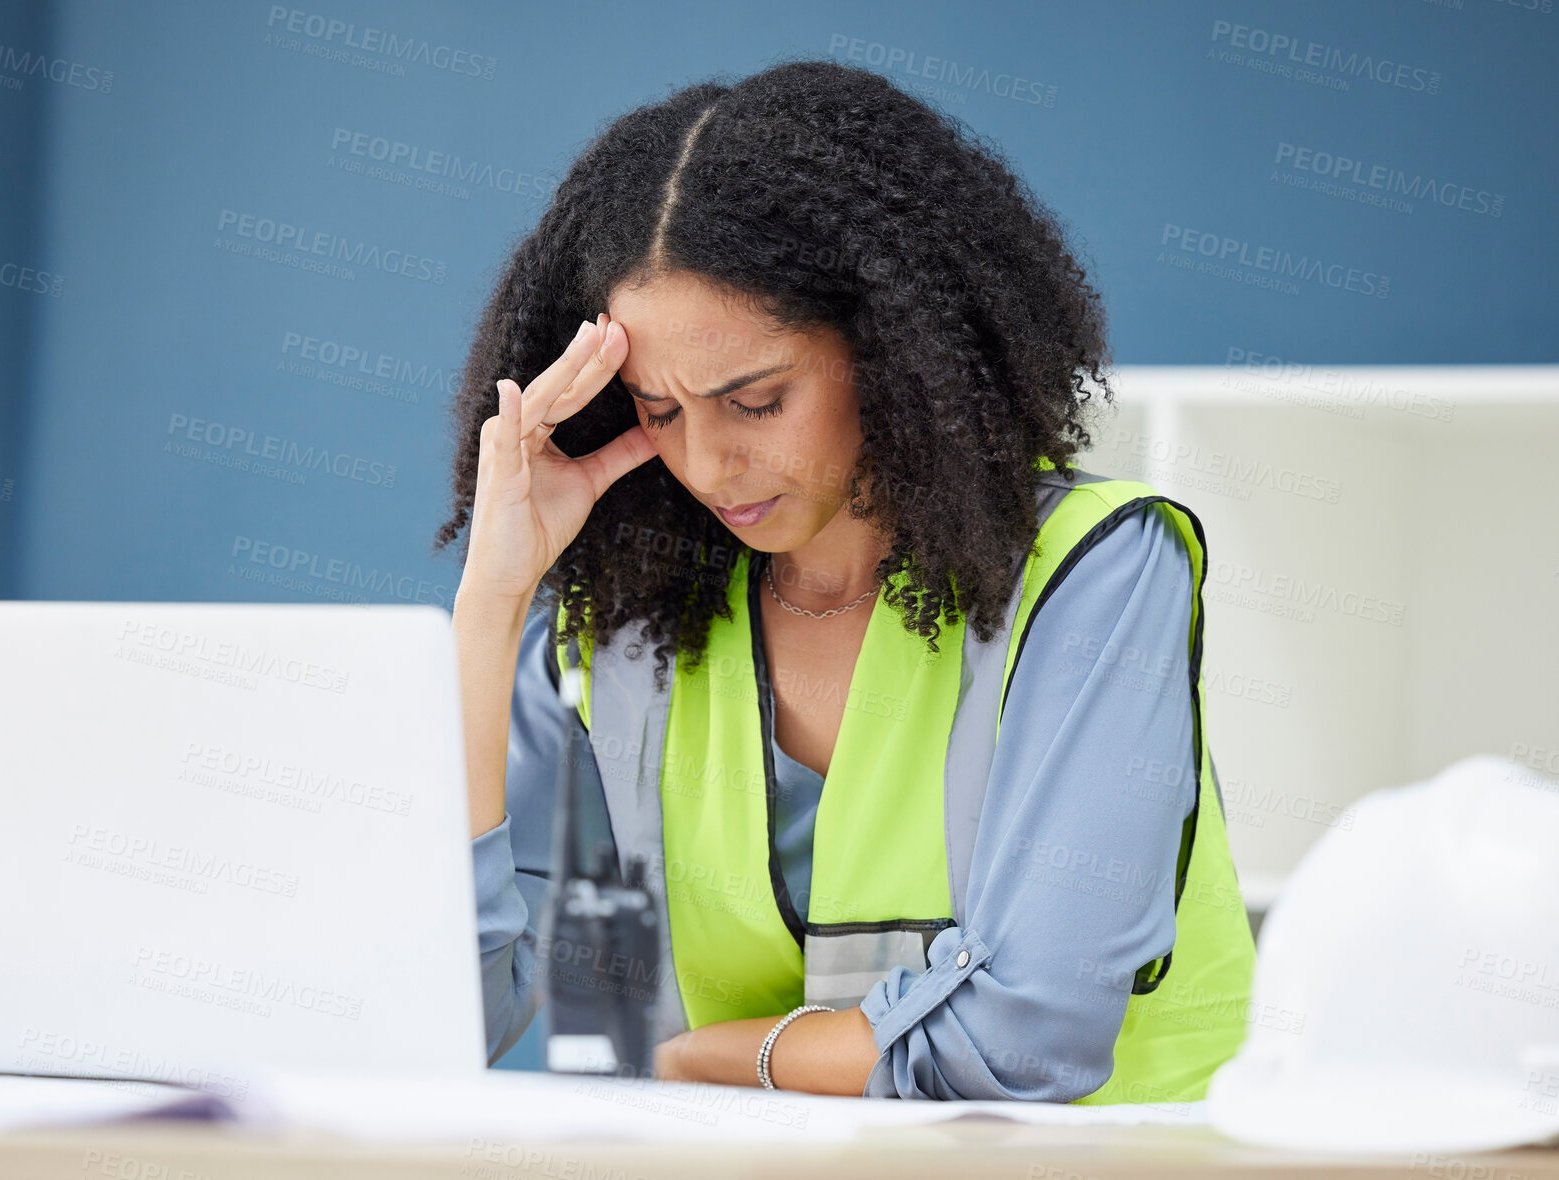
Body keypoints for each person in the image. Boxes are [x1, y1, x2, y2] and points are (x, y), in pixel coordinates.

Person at [434, 60, 1255, 1103]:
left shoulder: (1096, 570)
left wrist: (702, 1054)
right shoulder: (619, 634)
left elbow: (1024, 1043)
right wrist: (491, 603)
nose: (708, 464)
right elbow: (460, 1011)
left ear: (889, 348)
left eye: (757, 399)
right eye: (662, 409)